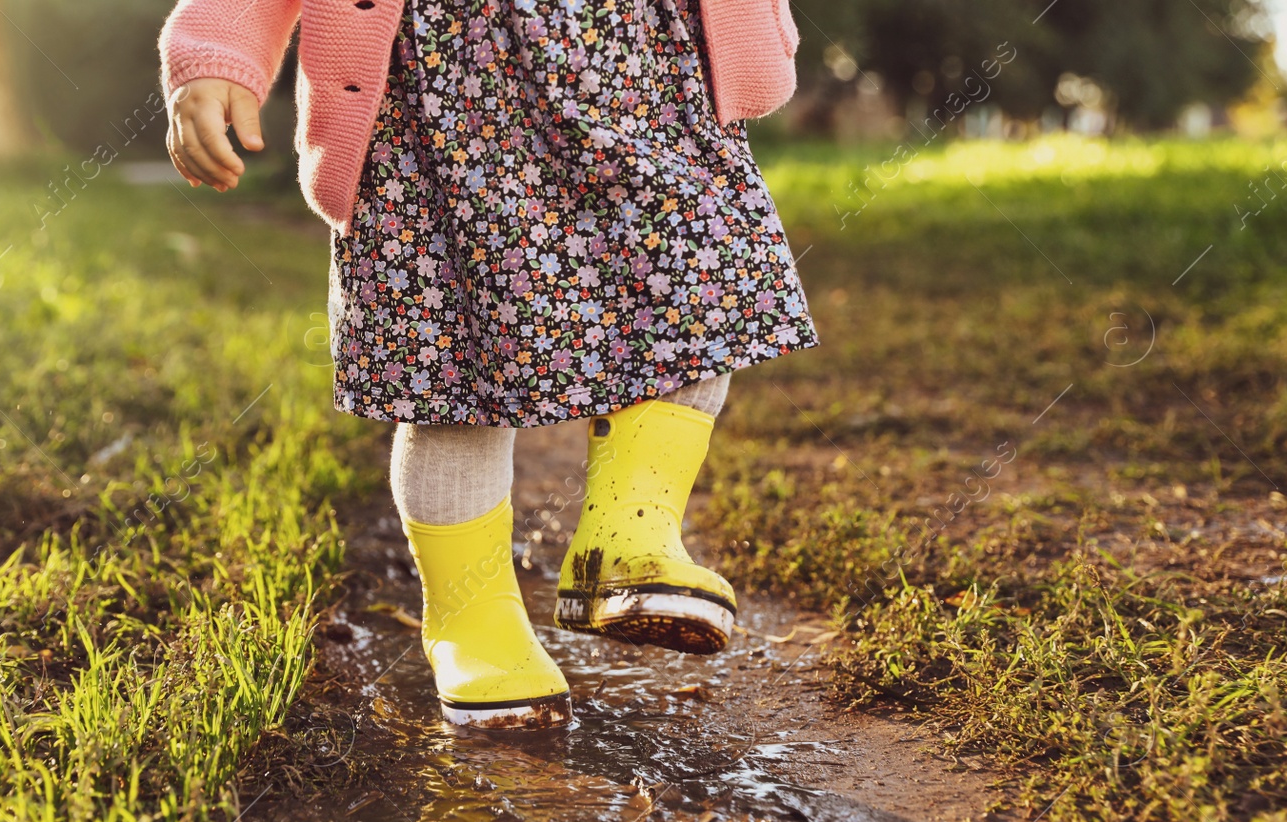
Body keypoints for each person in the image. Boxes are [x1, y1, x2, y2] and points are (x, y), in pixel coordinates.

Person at [160, 0, 817, 729]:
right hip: (437, 86)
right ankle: (471, 618)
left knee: (695, 270)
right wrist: (218, 50)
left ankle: (631, 533)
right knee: (451, 354)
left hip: (641, 62)